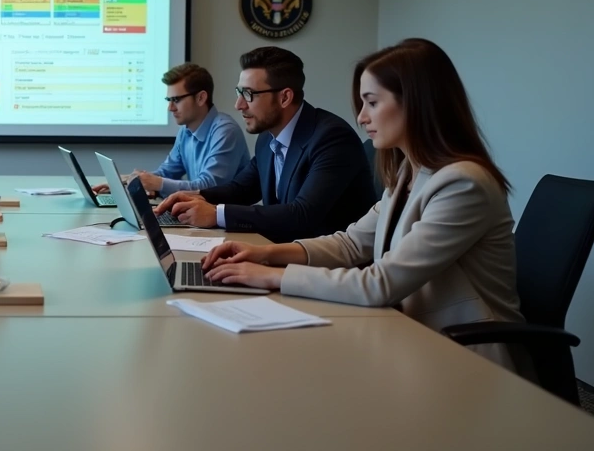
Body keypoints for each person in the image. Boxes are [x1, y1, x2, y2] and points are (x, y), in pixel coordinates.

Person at [200, 39, 522, 368]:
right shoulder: (409, 174)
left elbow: (380, 283)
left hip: (467, 355)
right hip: (410, 333)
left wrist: (269, 276)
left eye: (371, 102)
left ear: (416, 103)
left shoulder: (461, 184)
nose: (361, 117)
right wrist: (263, 253)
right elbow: (351, 244)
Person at [155, 47, 374, 242]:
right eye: (239, 92)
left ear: (284, 98)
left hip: (329, 269)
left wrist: (216, 214)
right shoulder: (268, 138)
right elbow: (241, 190)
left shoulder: (332, 138)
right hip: (285, 252)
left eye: (248, 94)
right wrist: (197, 196)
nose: (238, 104)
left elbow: (302, 214)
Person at [93, 63, 248, 197]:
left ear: (201, 98)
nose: (170, 108)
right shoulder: (185, 131)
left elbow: (210, 187)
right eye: (169, 100)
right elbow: (166, 173)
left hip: (226, 224)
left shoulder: (226, 131)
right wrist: (129, 181)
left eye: (176, 100)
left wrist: (157, 184)